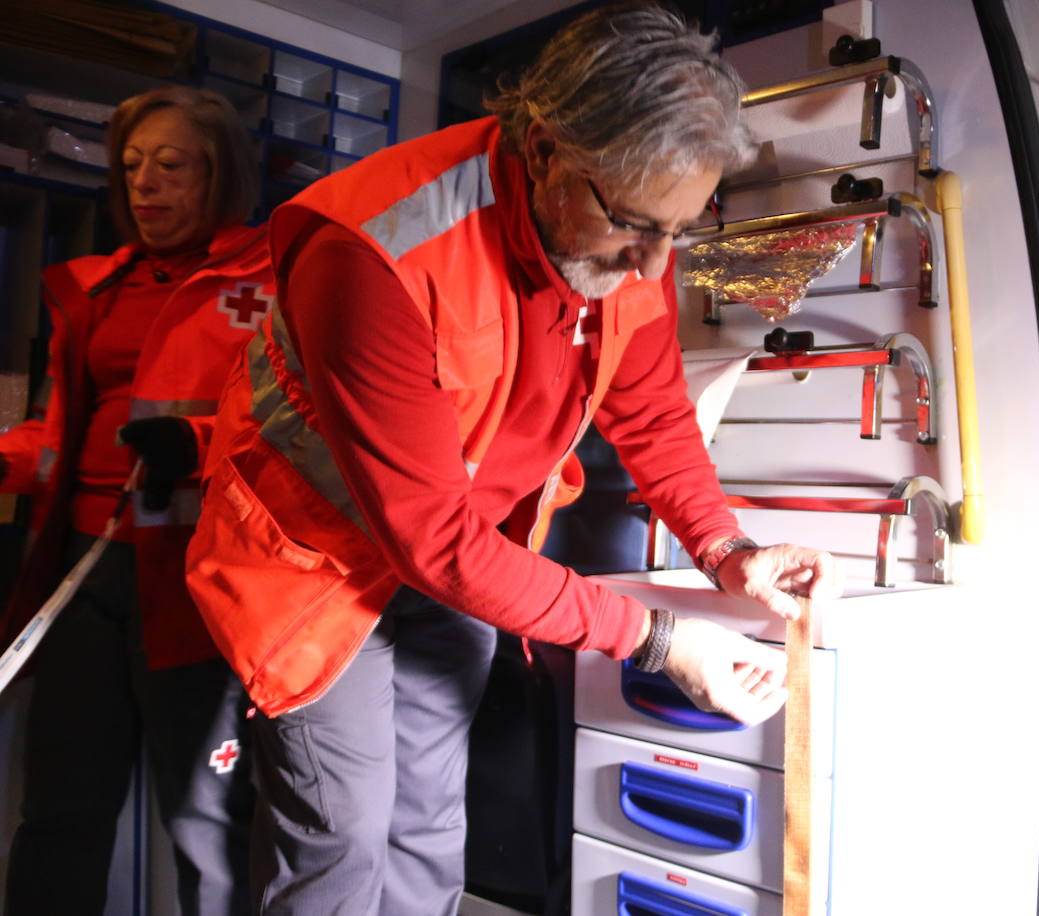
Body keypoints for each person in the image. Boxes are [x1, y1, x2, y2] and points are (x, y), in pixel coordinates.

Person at [183, 4, 838, 913]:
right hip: (317, 569)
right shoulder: (373, 251)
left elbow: (650, 413)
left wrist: (725, 548)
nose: (654, 269)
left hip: (463, 561)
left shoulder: (632, 230)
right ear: (543, 151)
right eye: (635, 227)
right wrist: (655, 639)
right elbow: (430, 536)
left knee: (426, 826)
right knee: (341, 835)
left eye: (678, 234)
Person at [0, 87, 267, 915]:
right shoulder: (98, 288)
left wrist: (197, 450)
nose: (146, 185)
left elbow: (295, 431)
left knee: (207, 822)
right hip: (83, 581)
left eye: (172, 165)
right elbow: (57, 431)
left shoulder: (273, 280)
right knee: (59, 810)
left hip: (197, 590)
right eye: (132, 167)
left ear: (218, 174)